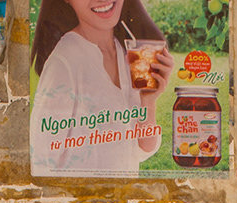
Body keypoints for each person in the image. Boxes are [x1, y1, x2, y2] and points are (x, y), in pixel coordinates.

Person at [29, 0, 174, 173]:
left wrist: (148, 101)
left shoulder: (127, 54)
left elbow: (141, 149)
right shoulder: (63, 63)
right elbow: (39, 162)